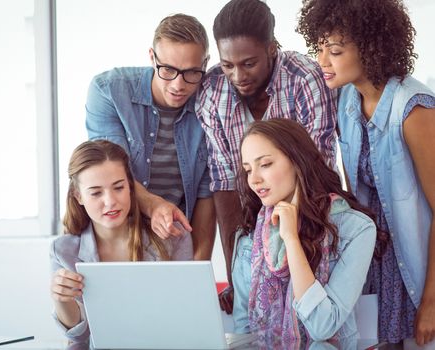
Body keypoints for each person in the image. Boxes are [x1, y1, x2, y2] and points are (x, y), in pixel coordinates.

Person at [297, 0, 435, 345]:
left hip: (420, 270)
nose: (322, 61)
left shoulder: (414, 109)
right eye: (320, 47)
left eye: (335, 51)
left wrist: (432, 302)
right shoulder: (345, 99)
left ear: (371, 49)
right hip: (373, 264)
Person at [195, 0, 338, 312]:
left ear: (272, 48)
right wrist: (237, 278)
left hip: (312, 216)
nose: (237, 75)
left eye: (249, 63)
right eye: (227, 64)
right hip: (252, 223)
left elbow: (317, 172)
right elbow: (226, 187)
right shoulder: (212, 92)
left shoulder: (304, 79)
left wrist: (298, 256)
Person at [232, 119, 376, 346]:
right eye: (248, 169)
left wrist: (291, 239)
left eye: (266, 164)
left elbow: (323, 326)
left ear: (297, 161)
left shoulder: (356, 229)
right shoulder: (250, 237)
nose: (254, 179)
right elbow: (243, 334)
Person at [85, 14, 215, 260]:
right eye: (167, 69)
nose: (178, 85)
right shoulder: (108, 90)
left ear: (205, 64)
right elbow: (110, 171)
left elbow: (206, 192)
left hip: (173, 238)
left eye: (191, 73)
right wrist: (153, 205)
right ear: (151, 57)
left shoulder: (212, 101)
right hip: (113, 233)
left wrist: (199, 267)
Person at [50, 140, 193, 344]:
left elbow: (185, 317)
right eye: (96, 192)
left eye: (118, 187)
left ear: (130, 187)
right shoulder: (62, 250)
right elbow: (79, 335)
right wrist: (60, 299)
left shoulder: (171, 237)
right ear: (78, 196)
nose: (110, 201)